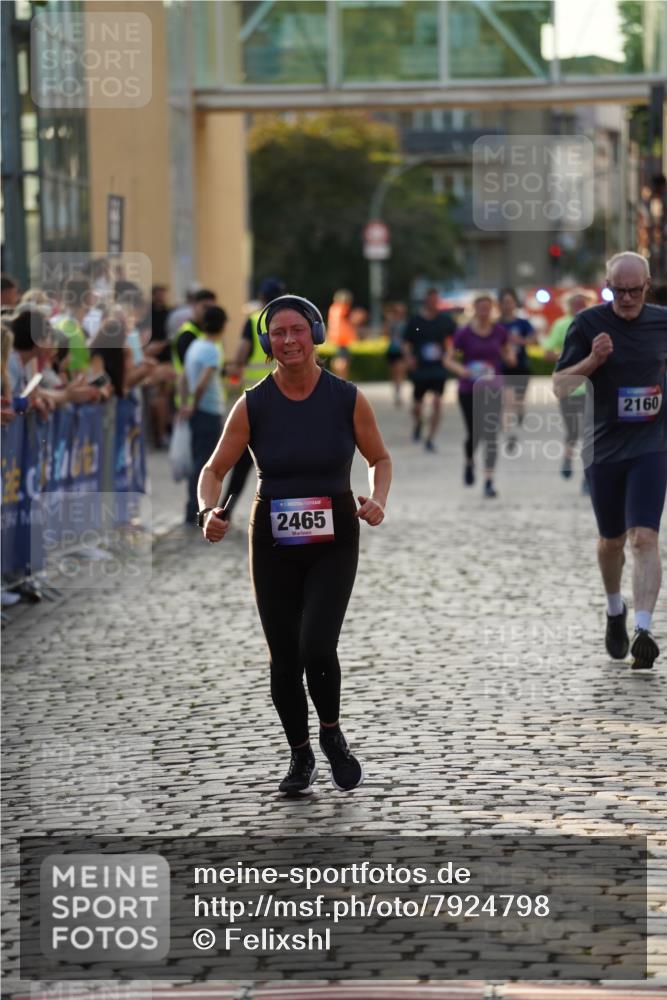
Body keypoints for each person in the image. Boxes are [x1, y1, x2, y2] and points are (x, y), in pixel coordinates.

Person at [196, 294, 392, 796]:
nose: (288, 341)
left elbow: (379, 459)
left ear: (316, 335)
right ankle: (300, 755)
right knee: (284, 656)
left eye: (297, 330)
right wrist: (207, 511)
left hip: (334, 540)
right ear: (267, 341)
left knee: (317, 644)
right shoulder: (253, 403)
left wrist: (378, 499)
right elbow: (214, 469)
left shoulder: (346, 398)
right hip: (273, 543)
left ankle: (331, 734)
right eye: (278, 333)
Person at [553, 251, 666, 670]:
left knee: (644, 538)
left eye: (635, 290)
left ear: (647, 286)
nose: (627, 298)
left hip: (652, 445)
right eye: (619, 291)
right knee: (612, 541)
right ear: (608, 287)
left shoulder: (662, 322)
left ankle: (644, 629)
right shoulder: (587, 324)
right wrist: (593, 360)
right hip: (603, 449)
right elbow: (560, 386)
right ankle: (615, 608)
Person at [220, 277, 285, 519]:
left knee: (243, 465)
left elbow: (241, 354)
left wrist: (232, 372)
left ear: (261, 297)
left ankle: (225, 511)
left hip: (256, 402)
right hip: (287, 399)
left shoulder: (254, 320)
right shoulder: (292, 318)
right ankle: (286, 512)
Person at [444, 293, 516, 497]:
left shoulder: (500, 331)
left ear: (492, 309)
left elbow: (508, 353)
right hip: (469, 389)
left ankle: (489, 480)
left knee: (491, 433)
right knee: (474, 433)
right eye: (480, 307)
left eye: (487, 307)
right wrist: (462, 370)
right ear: (474, 309)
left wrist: (511, 358)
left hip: (493, 388)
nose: (484, 311)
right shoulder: (464, 333)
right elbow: (448, 359)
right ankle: (469, 461)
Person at [543, 290, 595, 485]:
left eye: (583, 303)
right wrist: (570, 358)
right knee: (573, 430)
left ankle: (587, 476)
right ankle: (567, 456)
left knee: (590, 432)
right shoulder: (561, 324)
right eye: (575, 304)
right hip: (568, 388)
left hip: (592, 387)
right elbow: (547, 352)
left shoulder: (596, 323)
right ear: (568, 306)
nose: (579, 307)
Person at [183, 305, 227, 526]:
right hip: (208, 411)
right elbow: (202, 383)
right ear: (222, 326)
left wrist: (185, 404)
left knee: (197, 459)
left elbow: (183, 377)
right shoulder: (212, 349)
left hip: (198, 411)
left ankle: (191, 509)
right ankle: (197, 510)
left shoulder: (195, 345)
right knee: (205, 464)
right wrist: (194, 404)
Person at [403, 288, 456, 452]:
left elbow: (454, 340)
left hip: (438, 367)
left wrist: (449, 354)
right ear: (425, 301)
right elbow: (406, 342)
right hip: (420, 367)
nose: (433, 303)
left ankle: (430, 438)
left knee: (437, 402)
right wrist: (408, 358)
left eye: (435, 300)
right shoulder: (415, 321)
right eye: (430, 300)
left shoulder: (445, 320)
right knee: (417, 406)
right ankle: (419, 423)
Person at [498, 288, 537, 452]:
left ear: (515, 304)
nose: (507, 305)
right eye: (504, 302)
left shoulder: (523, 323)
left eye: (510, 302)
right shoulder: (496, 324)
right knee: (508, 402)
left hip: (521, 367)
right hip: (502, 368)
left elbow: (534, 340)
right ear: (500, 304)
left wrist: (519, 341)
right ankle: (509, 435)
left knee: (518, 402)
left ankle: (518, 415)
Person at [326, 289, 356, 380]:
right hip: (343, 339)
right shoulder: (343, 309)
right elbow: (352, 320)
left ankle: (338, 377)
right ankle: (341, 379)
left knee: (338, 358)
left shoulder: (333, 309)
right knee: (342, 361)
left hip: (336, 338)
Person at [384, 302, 407, 407]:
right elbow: (386, 334)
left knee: (400, 372)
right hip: (392, 350)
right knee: (395, 374)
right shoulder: (391, 323)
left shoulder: (405, 324)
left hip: (401, 351)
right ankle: (397, 393)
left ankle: (398, 394)